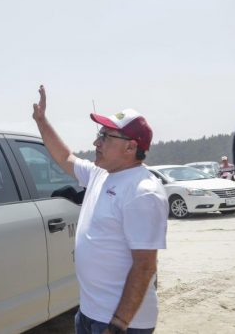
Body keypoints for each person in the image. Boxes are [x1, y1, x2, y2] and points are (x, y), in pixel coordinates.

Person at [32, 85, 168, 334]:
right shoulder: (100, 173)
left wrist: (118, 325)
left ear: (130, 147)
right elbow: (65, 157)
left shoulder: (142, 192)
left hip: (122, 324)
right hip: (89, 314)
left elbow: (145, 266)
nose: (96, 141)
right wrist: (42, 121)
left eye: (106, 136)